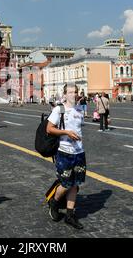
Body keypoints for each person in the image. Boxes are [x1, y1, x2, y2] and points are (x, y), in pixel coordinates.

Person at [46, 84, 86, 230]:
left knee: (75, 184)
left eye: (75, 92)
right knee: (66, 183)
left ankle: (70, 215)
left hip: (79, 152)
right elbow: (49, 129)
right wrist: (66, 133)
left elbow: (79, 128)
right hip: (64, 152)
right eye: (70, 92)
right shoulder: (59, 109)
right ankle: (54, 203)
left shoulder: (80, 109)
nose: (73, 95)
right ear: (64, 94)